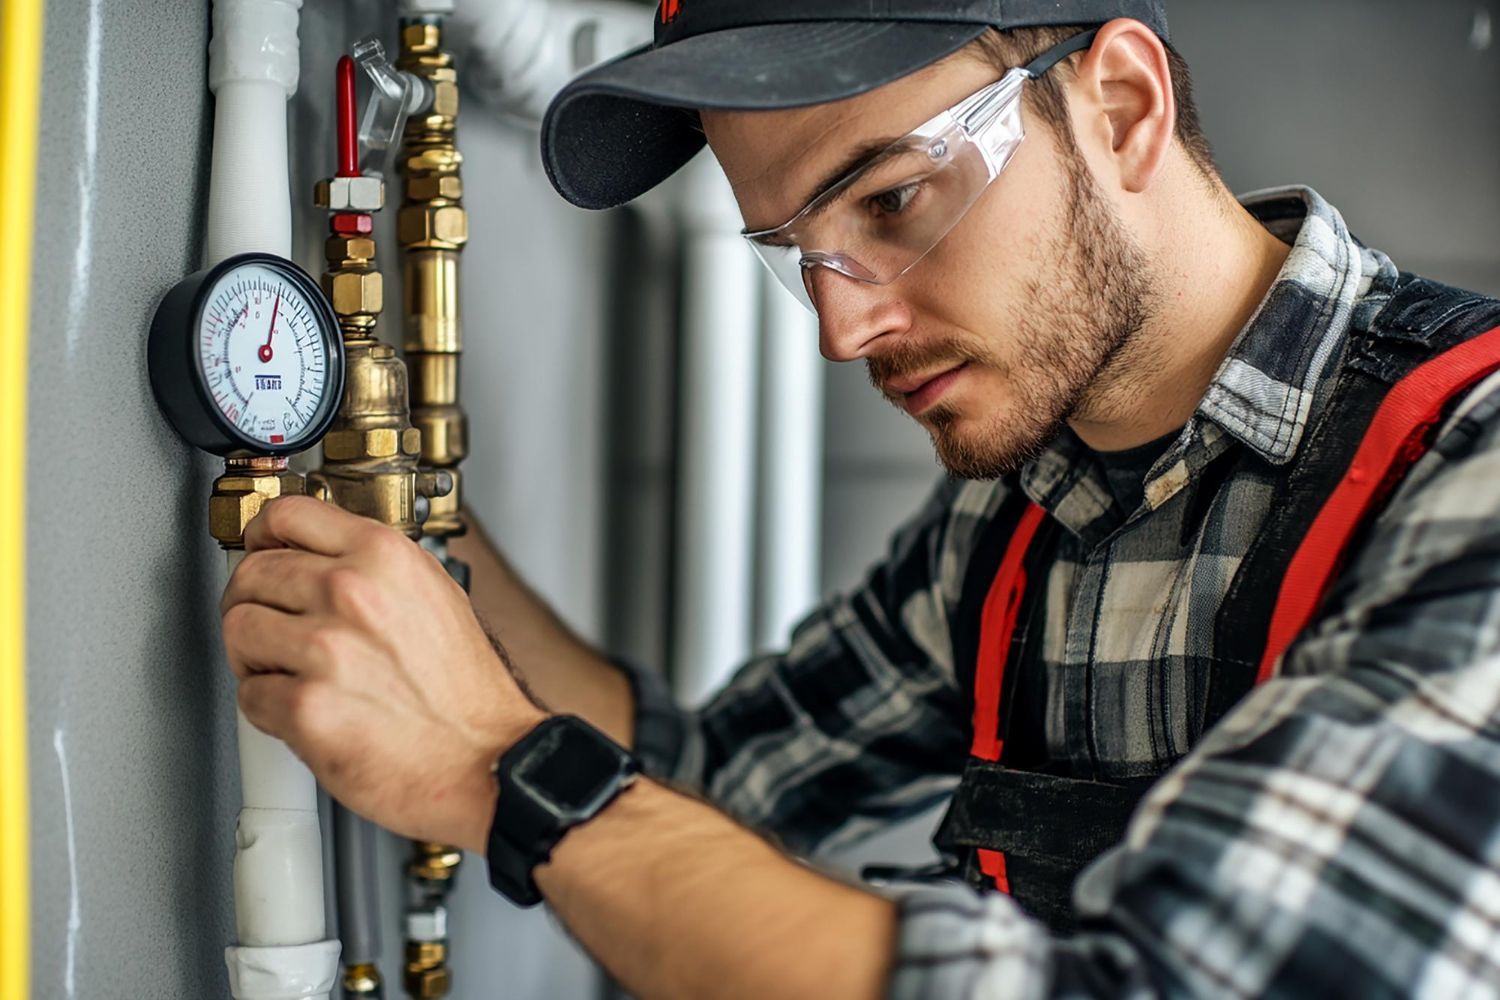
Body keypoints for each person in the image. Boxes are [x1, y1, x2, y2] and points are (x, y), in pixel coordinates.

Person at [220, 1, 1500, 995]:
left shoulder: (1469, 466)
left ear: (1120, 107)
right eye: (798, 255)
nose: (844, 328)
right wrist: (412, 514)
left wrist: (504, 772)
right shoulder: (1020, 519)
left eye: (892, 199)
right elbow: (700, 788)